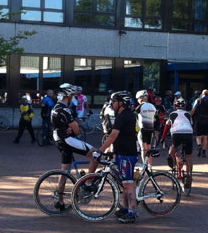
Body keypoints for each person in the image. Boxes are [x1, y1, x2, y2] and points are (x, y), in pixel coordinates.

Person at [52, 84, 104, 203]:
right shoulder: (65, 110)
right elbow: (76, 129)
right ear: (68, 96)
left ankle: (59, 199)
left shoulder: (55, 108)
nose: (73, 98)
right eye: (72, 96)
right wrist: (73, 128)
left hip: (58, 139)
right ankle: (88, 184)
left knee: (65, 170)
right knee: (96, 154)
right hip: (67, 139)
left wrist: (70, 127)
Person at [98, 91, 139, 224]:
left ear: (121, 103)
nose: (112, 103)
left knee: (128, 184)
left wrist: (100, 150)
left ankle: (132, 213)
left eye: (114, 101)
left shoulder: (124, 116)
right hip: (122, 152)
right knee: (124, 183)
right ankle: (125, 208)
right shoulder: (123, 114)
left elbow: (113, 135)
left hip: (127, 154)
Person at [162, 96, 194, 176]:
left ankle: (171, 161)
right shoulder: (188, 114)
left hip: (176, 133)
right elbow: (191, 124)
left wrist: (163, 138)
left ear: (175, 106)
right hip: (188, 133)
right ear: (185, 106)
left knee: (174, 147)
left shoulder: (172, 114)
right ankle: (189, 174)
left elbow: (166, 127)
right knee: (189, 155)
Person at [135, 89, 157, 165]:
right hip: (151, 129)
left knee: (143, 148)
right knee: (149, 148)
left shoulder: (140, 106)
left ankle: (145, 166)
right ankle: (150, 165)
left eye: (138, 99)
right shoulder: (152, 106)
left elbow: (133, 115)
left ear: (141, 98)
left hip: (143, 129)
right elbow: (156, 117)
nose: (137, 100)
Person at [190, 89, 208, 157]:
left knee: (198, 136)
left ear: (202, 94)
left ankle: (199, 145)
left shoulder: (198, 100)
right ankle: (204, 151)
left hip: (199, 119)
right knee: (205, 137)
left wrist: (190, 116)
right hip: (206, 120)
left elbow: (193, 109)